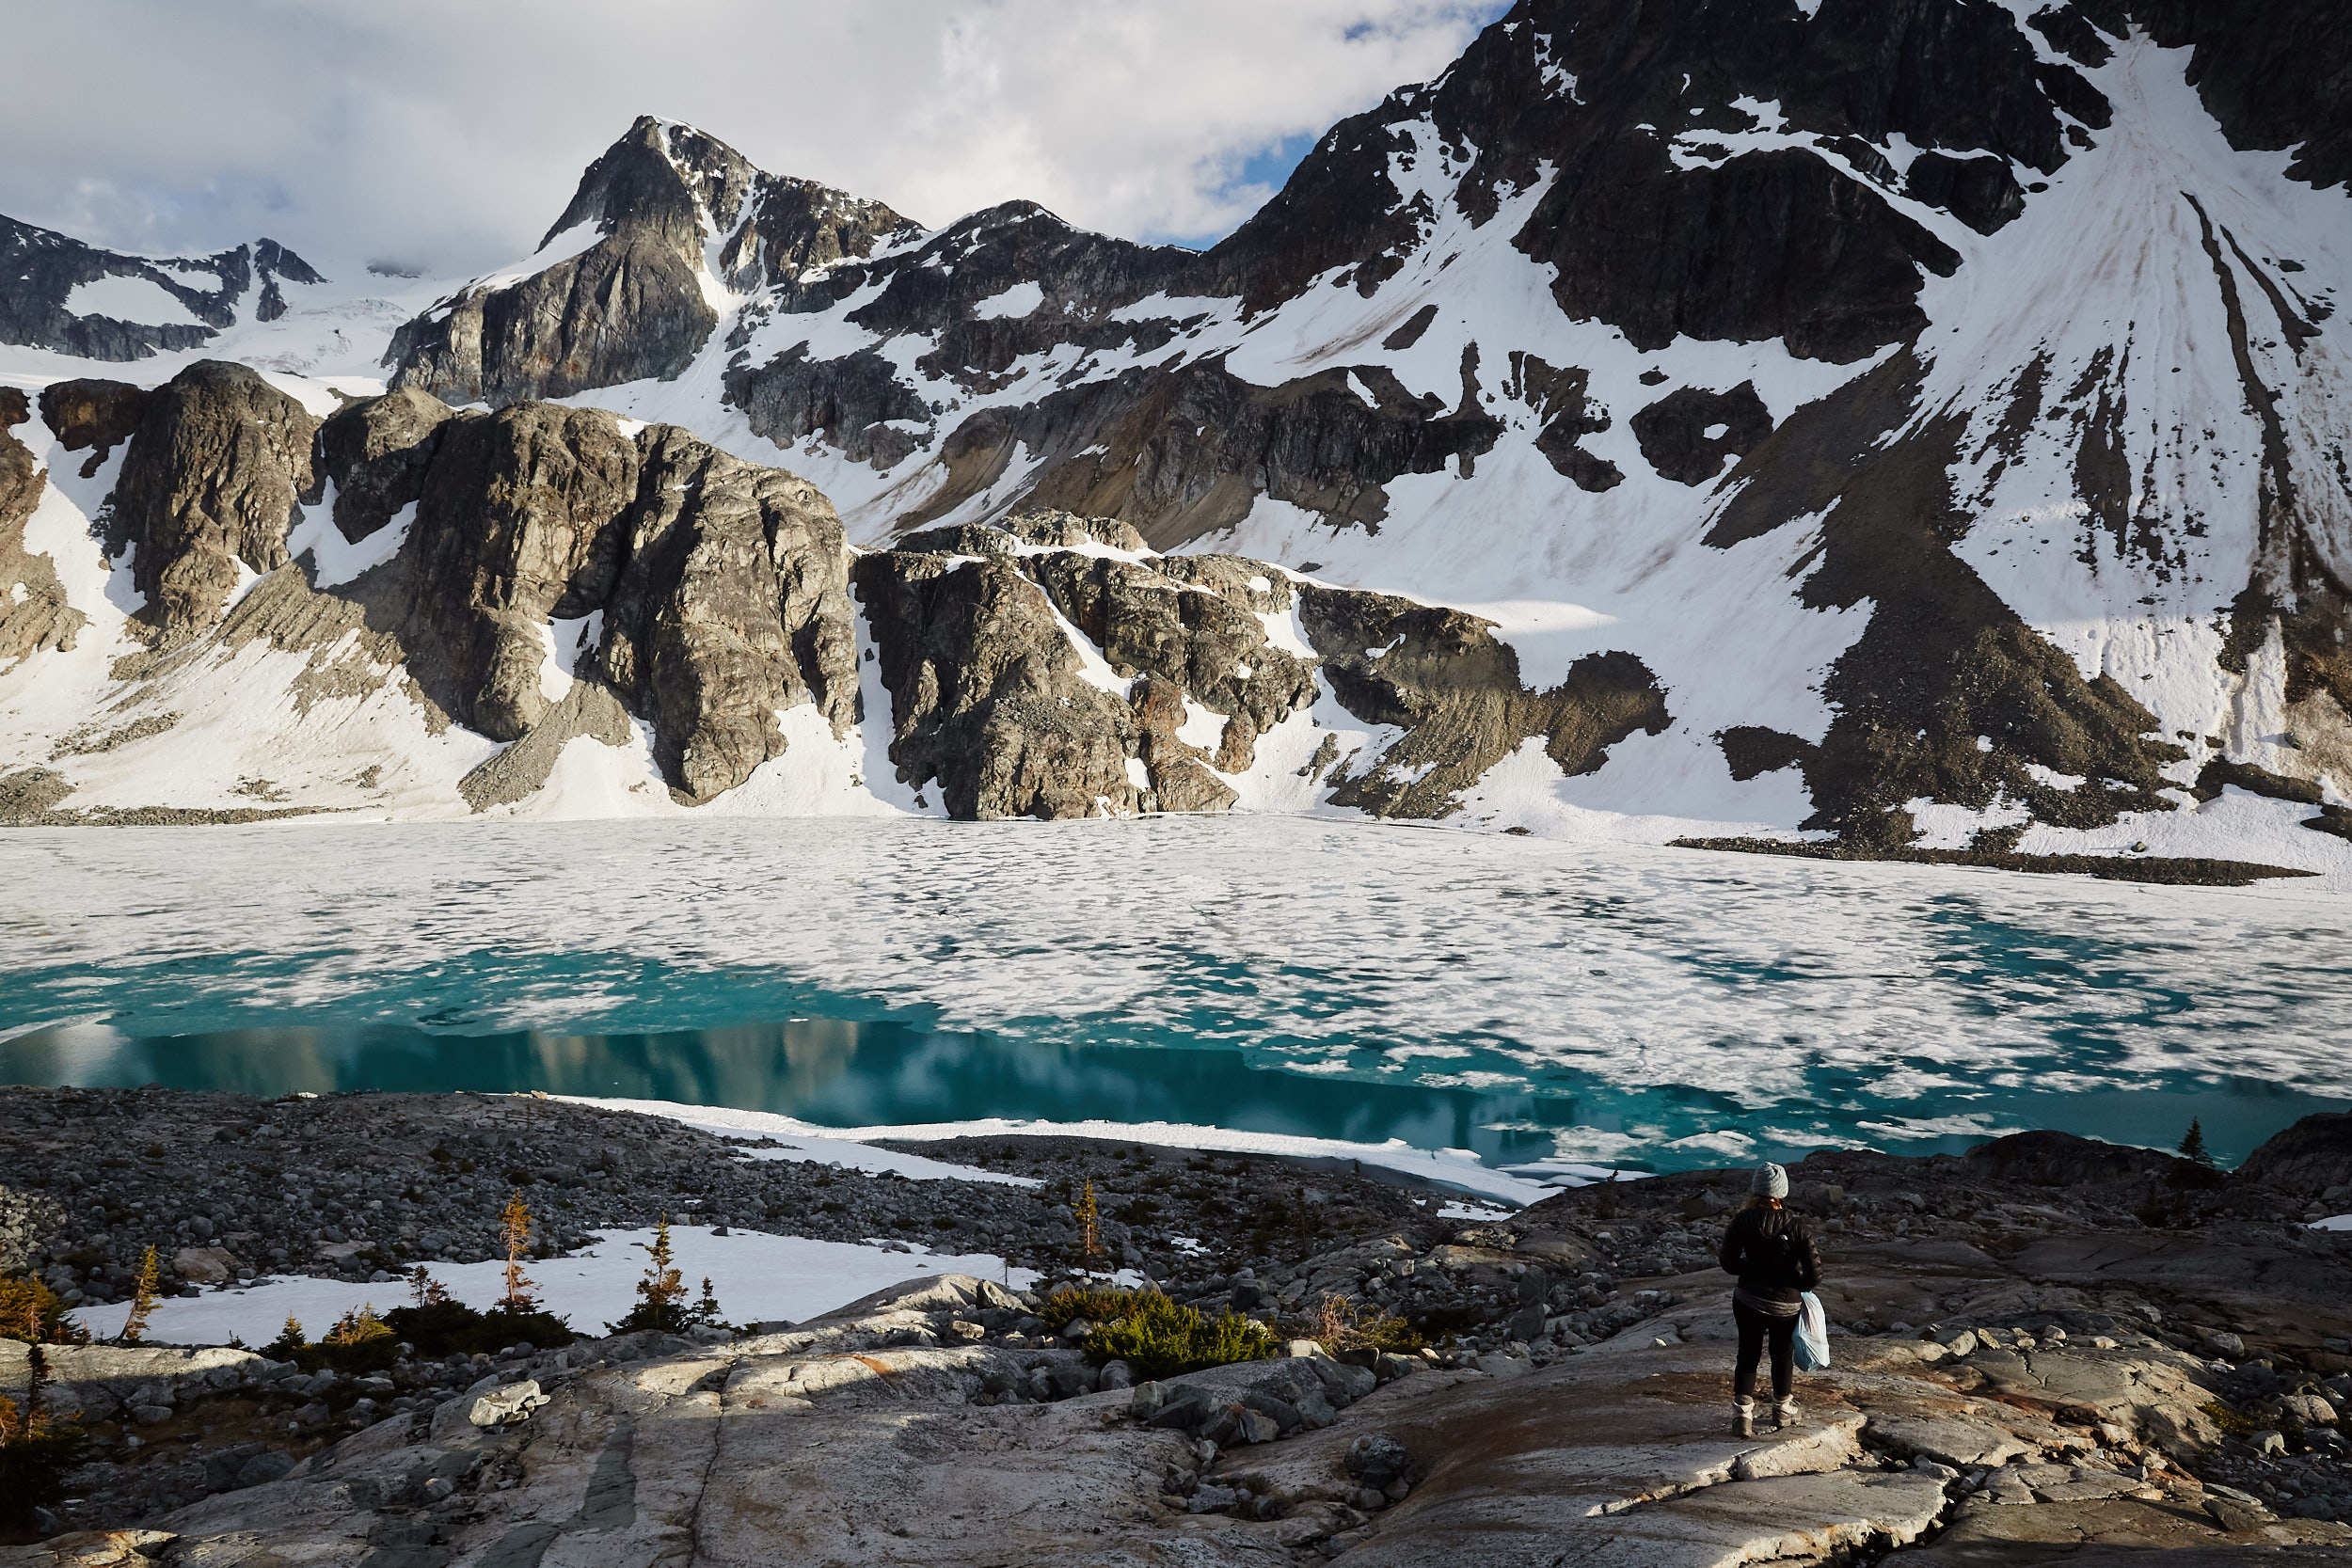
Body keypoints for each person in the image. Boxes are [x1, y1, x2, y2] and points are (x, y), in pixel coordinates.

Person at [1718, 1161, 1822, 1437]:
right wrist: (1796, 1285)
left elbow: (1727, 1262)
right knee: (1782, 1355)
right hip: (1785, 1304)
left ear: (1756, 1189)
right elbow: (1814, 1273)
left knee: (1748, 1352)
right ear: (1782, 1191)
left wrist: (1750, 1271)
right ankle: (1782, 1410)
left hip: (1748, 1298)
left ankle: (1742, 1415)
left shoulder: (1741, 1221)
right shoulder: (1797, 1226)